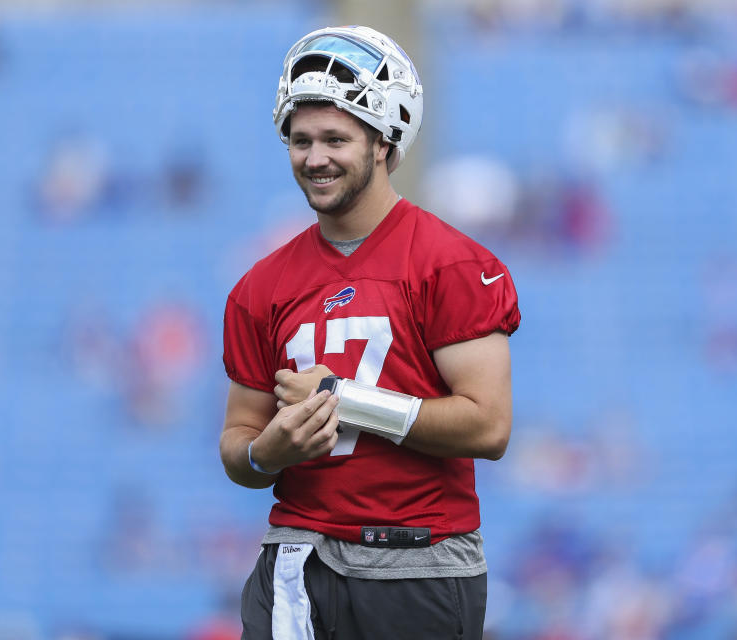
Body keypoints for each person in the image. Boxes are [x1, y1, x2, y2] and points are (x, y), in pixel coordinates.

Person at [220, 25, 520, 640]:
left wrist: (344, 401)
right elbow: (237, 444)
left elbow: (488, 427)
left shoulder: (452, 263)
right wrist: (267, 453)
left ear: (383, 143)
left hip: (419, 561)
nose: (314, 157)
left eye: (336, 138)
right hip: (299, 556)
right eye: (300, 140)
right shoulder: (261, 285)